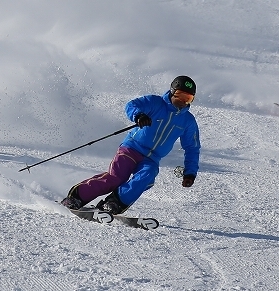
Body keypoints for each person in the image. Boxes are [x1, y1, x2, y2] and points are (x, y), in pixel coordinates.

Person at [61, 76, 201, 214]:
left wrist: (190, 172)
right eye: (179, 96)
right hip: (131, 149)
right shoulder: (155, 102)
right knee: (116, 177)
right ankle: (76, 197)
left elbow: (192, 148)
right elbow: (131, 105)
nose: (183, 101)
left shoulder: (188, 121)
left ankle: (114, 203)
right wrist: (139, 116)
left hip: (152, 158)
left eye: (188, 98)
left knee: (147, 176)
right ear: (172, 92)